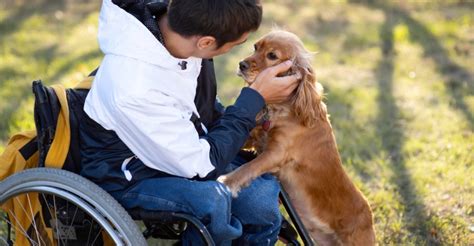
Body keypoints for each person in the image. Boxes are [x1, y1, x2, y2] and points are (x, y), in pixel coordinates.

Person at [79, 0, 299, 244]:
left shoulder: (183, 38)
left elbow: (206, 112)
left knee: (260, 199)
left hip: (180, 148)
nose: (240, 53)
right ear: (206, 42)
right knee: (212, 201)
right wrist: (254, 98)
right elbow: (200, 166)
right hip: (129, 175)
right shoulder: (134, 87)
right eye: (236, 45)